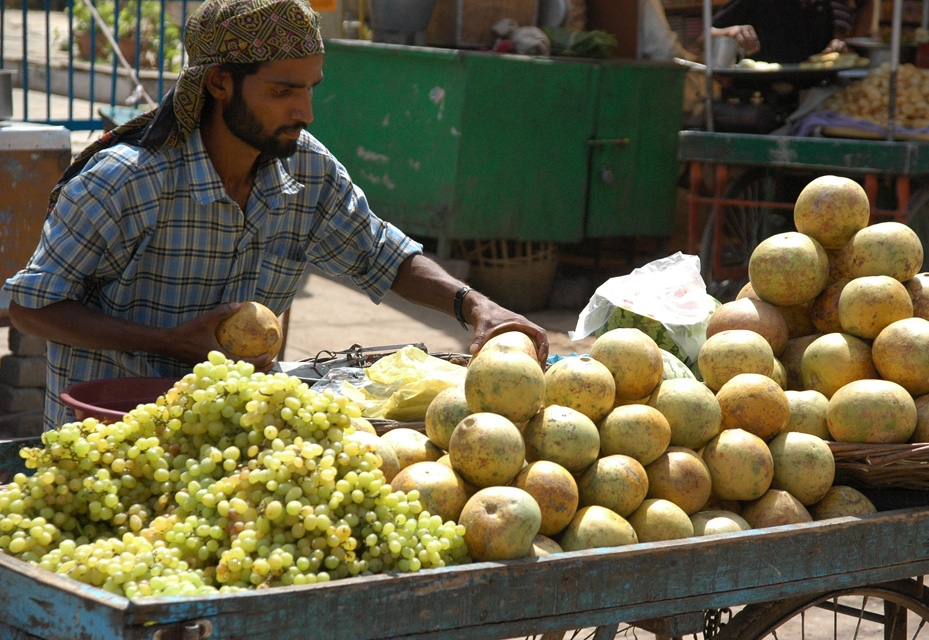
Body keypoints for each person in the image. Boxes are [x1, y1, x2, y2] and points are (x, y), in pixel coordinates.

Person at [3, 0, 548, 431]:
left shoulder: (306, 170)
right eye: (283, 91)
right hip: (114, 440)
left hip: (234, 444)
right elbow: (29, 306)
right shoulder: (125, 181)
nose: (305, 112)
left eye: (310, 89)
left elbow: (382, 254)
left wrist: (475, 305)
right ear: (219, 82)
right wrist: (168, 341)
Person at [712, 0, 849, 63]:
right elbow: (705, 36)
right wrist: (730, 32)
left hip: (811, 94)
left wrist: (837, 48)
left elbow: (827, 49)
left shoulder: (822, 6)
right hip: (758, 94)